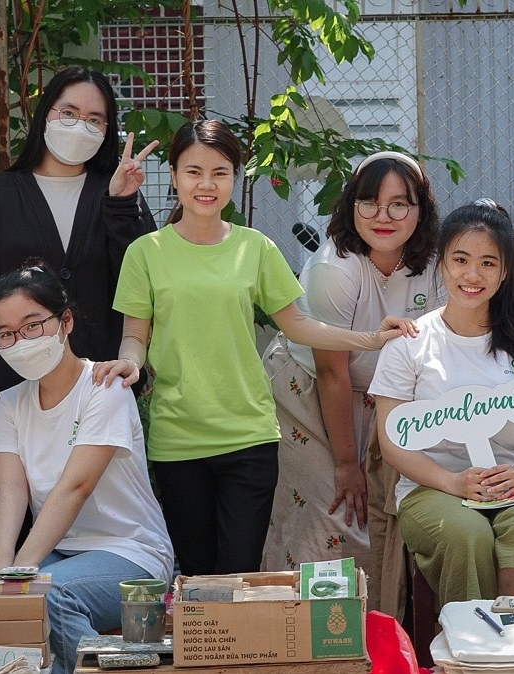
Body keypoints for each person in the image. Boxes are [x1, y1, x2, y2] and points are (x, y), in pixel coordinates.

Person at [104, 119, 416, 576]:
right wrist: (129, 364)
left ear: (236, 176)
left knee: (241, 572)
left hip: (249, 437)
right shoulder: (146, 252)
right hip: (177, 440)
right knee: (196, 574)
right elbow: (135, 335)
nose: (206, 184)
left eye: (220, 172)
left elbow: (300, 326)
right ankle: (205, 650)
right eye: (193, 172)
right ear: (173, 176)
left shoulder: (256, 249)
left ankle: (247, 651)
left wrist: (370, 339)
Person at [369, 200, 514, 606]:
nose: (472, 274)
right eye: (461, 259)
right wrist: (451, 482)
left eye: (487, 263)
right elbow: (391, 441)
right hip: (433, 487)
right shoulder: (409, 344)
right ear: (442, 264)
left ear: (504, 272)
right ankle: (470, 657)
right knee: (468, 534)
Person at [260, 152, 443, 604]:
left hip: (389, 399)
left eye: (399, 204)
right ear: (351, 206)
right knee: (334, 510)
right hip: (314, 392)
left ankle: (381, 637)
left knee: (386, 510)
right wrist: (347, 464)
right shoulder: (333, 268)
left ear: (420, 211)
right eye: (370, 203)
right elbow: (331, 370)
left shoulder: (437, 263)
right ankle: (301, 634)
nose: (384, 217)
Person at [0, 264, 174, 674]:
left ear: (65, 321)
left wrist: (21, 572)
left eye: (33, 325)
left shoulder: (105, 387)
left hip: (131, 552)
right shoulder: (8, 404)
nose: (20, 341)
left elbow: (76, 486)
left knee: (48, 595)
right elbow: (12, 491)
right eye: (7, 334)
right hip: (63, 551)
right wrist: (0, 563)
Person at [0, 66, 158, 407]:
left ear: (107, 130)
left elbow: (142, 284)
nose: (81, 125)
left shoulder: (118, 193)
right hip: (6, 392)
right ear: (46, 113)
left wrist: (122, 205)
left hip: (100, 389)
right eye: (69, 113)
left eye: (95, 119)